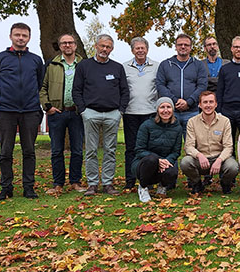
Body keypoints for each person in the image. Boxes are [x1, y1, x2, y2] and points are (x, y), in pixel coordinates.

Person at [0, 22, 45, 201]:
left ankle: (28, 187)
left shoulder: (36, 60)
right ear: (11, 36)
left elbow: (39, 82)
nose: (20, 38)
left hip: (30, 111)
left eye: (24, 35)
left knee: (29, 151)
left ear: (29, 38)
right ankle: (6, 187)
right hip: (6, 111)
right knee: (6, 152)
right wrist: (5, 98)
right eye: (17, 35)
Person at [73, 34, 130, 196]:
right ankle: (92, 184)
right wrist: (83, 110)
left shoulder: (117, 67)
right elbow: (77, 90)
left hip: (112, 114)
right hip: (90, 113)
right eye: (102, 46)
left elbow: (124, 91)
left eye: (108, 47)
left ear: (111, 49)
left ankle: (107, 183)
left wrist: (120, 111)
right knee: (91, 150)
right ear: (96, 46)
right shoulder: (84, 66)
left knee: (110, 150)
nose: (105, 49)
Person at [40, 33, 85, 195]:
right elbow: (43, 88)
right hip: (57, 113)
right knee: (56, 150)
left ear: (75, 45)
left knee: (77, 150)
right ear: (59, 46)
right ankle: (58, 183)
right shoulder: (51, 65)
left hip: (77, 113)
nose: (67, 45)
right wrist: (48, 107)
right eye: (64, 43)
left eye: (70, 43)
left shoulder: (84, 65)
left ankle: (75, 181)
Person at [180, 91, 240, 194]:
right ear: (200, 105)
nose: (208, 105)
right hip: (200, 160)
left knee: (233, 166)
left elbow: (228, 147)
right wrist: (199, 155)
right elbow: (189, 146)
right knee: (185, 162)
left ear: (216, 104)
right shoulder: (192, 122)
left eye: (211, 102)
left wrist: (219, 160)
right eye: (205, 102)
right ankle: (197, 184)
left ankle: (225, 184)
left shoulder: (225, 121)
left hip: (219, 159)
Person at [122, 37, 160, 190]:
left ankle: (148, 180)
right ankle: (130, 181)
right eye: (137, 48)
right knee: (131, 148)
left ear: (147, 49)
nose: (140, 50)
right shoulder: (124, 67)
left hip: (150, 112)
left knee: (150, 148)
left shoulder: (156, 66)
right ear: (132, 50)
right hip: (130, 112)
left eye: (142, 48)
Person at [155, 33, 208, 134]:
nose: (183, 47)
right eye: (180, 44)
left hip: (192, 111)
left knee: (192, 145)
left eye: (186, 45)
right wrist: (175, 101)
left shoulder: (198, 65)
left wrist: (189, 102)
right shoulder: (165, 64)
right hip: (171, 112)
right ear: (175, 47)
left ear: (191, 47)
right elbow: (160, 85)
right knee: (170, 144)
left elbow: (202, 85)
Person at [132, 97, 182, 202]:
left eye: (168, 107)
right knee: (152, 159)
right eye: (162, 107)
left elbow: (176, 151)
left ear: (172, 109)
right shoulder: (146, 125)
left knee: (172, 172)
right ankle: (143, 187)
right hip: (144, 163)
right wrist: (158, 160)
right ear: (157, 110)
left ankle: (162, 186)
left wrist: (166, 161)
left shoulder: (177, 127)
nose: (165, 110)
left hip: (165, 162)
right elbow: (139, 149)